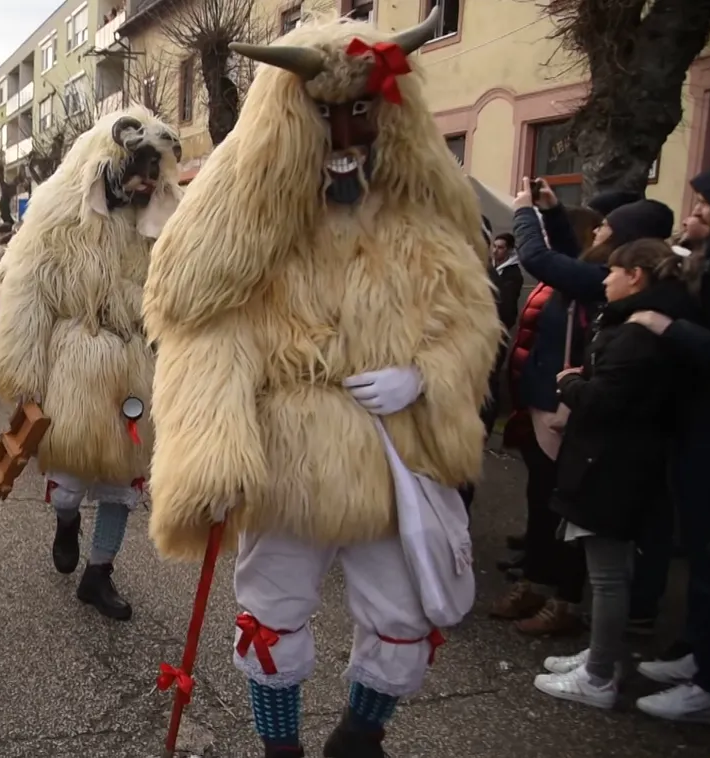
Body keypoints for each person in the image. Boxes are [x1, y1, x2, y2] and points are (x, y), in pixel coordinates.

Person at [144, 11, 499, 756]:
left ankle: (359, 736)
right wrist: (212, 451)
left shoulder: (420, 212)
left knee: (403, 612)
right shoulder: (246, 220)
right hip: (289, 450)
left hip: (392, 449)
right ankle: (280, 747)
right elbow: (204, 327)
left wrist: (423, 376)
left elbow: (466, 316)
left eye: (360, 109)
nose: (344, 132)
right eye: (325, 111)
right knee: (272, 606)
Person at [0, 107, 183, 621]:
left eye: (152, 168)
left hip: (135, 370)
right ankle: (66, 520)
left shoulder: (163, 235)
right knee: (71, 483)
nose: (145, 181)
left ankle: (99, 574)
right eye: (134, 167)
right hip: (75, 366)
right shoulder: (58, 229)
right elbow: (28, 301)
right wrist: (25, 379)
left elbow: (183, 303)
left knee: (125, 485)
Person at [494, 187, 673, 636]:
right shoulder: (600, 272)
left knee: (562, 512)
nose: (598, 230)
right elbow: (573, 254)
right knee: (541, 501)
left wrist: (524, 215)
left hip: (566, 409)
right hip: (546, 401)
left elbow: (541, 259)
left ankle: (562, 599)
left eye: (607, 227)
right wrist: (553, 212)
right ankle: (538, 581)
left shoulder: (606, 284)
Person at [532, 239, 694, 709]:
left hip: (610, 466)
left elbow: (608, 401)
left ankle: (599, 676)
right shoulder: (636, 324)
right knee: (610, 572)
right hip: (615, 461)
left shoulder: (636, 333)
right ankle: (602, 656)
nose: (604, 279)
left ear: (636, 276)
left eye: (612, 271)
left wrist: (571, 383)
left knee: (607, 576)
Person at [629, 160, 710, 723]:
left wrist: (669, 328)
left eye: (707, 204)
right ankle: (701, 653)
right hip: (701, 426)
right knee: (700, 552)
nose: (694, 210)